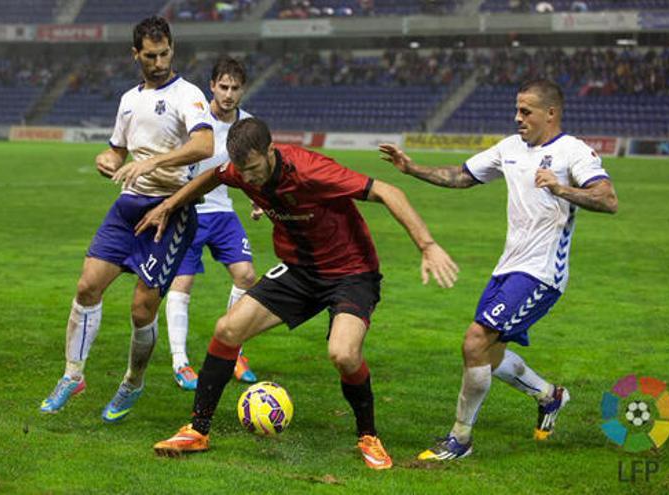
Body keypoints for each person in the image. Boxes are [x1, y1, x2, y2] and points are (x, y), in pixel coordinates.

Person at [139, 117, 460, 470]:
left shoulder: (312, 171)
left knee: (343, 354)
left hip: (351, 272)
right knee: (227, 329)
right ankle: (197, 430)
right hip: (300, 271)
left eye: (253, 169)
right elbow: (214, 175)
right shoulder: (242, 169)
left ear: (270, 151)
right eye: (242, 172)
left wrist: (427, 246)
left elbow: (388, 191)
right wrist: (170, 205)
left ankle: (368, 436)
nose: (247, 179)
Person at [379, 78, 618, 461]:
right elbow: (461, 176)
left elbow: (608, 199)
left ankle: (460, 439)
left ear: (551, 113)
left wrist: (562, 190)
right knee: (488, 357)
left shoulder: (573, 151)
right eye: (517, 110)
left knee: (475, 341)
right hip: (508, 268)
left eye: (526, 111)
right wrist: (411, 168)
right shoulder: (509, 148)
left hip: (541, 274)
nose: (517, 117)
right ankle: (549, 395)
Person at [38, 17, 214, 422]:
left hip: (171, 209)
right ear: (135, 54)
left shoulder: (188, 94)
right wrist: (108, 160)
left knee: (140, 310)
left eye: (164, 53)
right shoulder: (128, 100)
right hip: (129, 205)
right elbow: (117, 150)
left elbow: (204, 144)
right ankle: (73, 375)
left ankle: (133, 382)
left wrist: (153, 161)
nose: (158, 61)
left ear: (172, 48)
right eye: (150, 55)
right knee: (87, 286)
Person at [166, 56, 258, 391]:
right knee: (183, 283)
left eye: (235, 88)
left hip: (223, 213)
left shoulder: (247, 126)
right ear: (212, 86)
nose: (229, 93)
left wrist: (259, 202)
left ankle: (234, 353)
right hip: (190, 211)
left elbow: (254, 169)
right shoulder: (196, 119)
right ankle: (181, 362)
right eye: (223, 86)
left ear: (242, 89)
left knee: (247, 275)